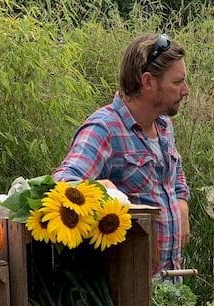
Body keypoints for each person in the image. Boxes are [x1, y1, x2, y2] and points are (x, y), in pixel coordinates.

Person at [53, 33, 190, 274]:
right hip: (127, 287)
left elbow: (175, 172)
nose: (185, 90)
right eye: (177, 82)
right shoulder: (104, 128)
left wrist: (182, 205)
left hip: (169, 279)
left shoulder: (163, 125)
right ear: (148, 82)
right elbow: (62, 183)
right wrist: (100, 188)